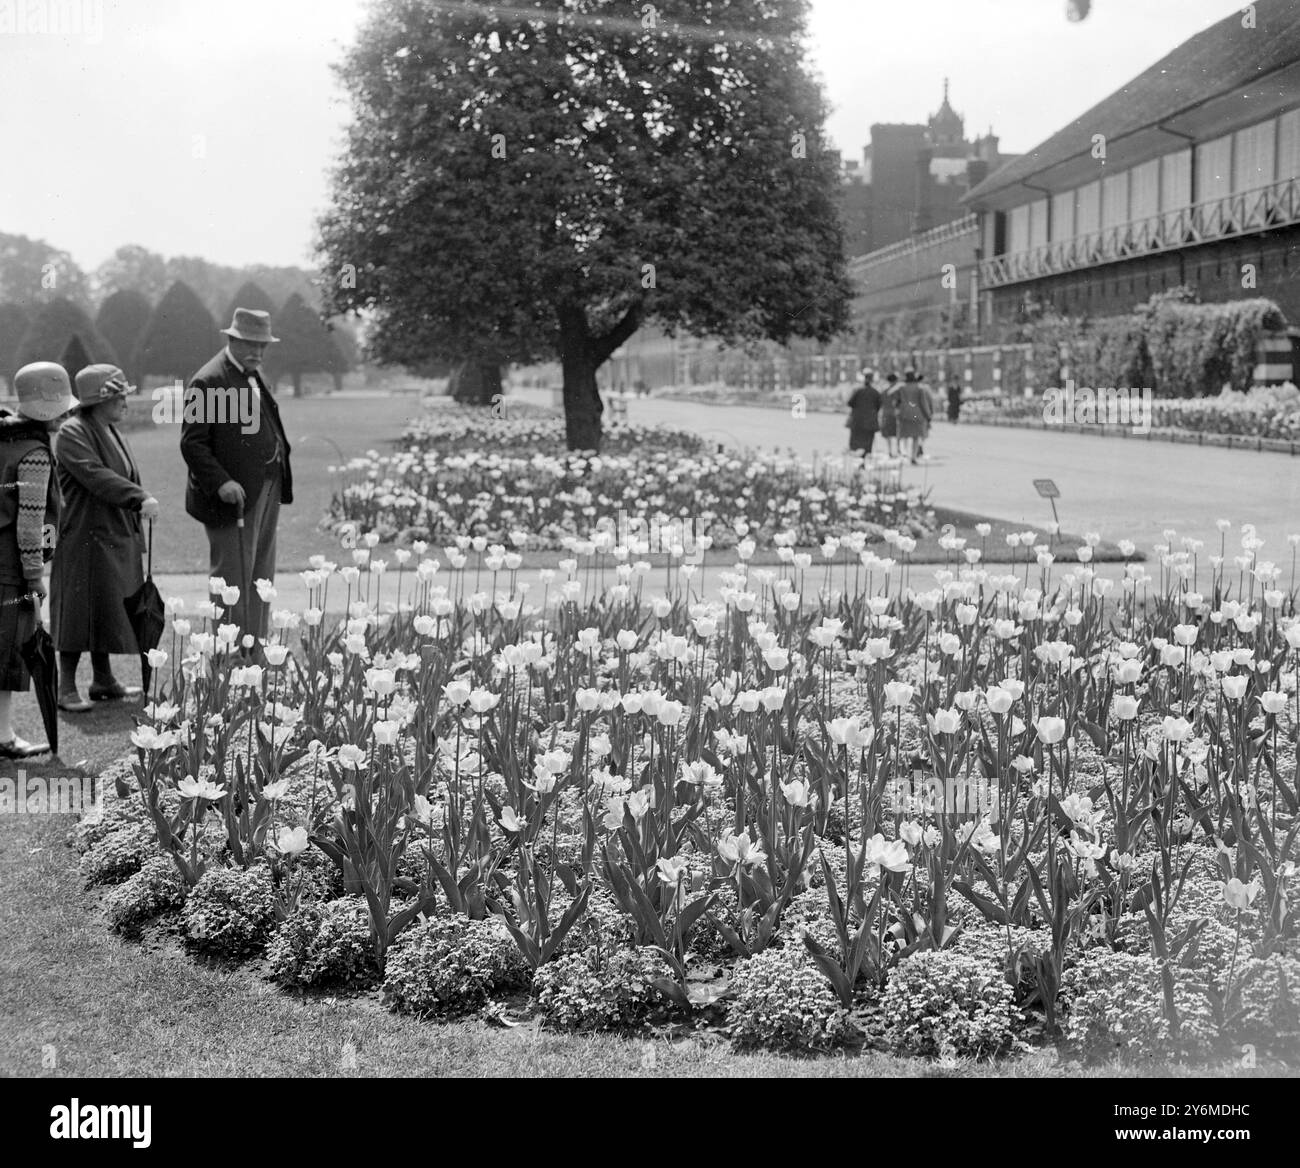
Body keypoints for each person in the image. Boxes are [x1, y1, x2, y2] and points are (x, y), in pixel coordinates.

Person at [51, 365, 160, 711]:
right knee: (77, 609)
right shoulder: (72, 432)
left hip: (110, 534)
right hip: (83, 534)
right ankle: (65, 686)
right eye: (118, 395)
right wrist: (138, 496)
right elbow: (94, 475)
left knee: (104, 605)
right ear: (99, 400)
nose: (125, 402)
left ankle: (103, 679)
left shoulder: (108, 428)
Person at [181, 308, 293, 641]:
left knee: (261, 576)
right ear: (231, 339)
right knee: (232, 579)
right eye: (250, 344)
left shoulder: (255, 374)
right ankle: (230, 660)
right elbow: (193, 444)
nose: (258, 352)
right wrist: (222, 482)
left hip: (266, 487)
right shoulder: (210, 380)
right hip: (232, 498)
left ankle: (255, 651)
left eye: (263, 346)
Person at [0, 363, 74, 758]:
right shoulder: (34, 454)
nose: (66, 416)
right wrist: (34, 576)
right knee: (9, 655)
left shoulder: (5, 438)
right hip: (10, 569)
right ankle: (4, 737)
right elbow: (29, 524)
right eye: (61, 409)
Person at [897, 369, 933, 464]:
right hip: (917, 414)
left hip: (904, 414)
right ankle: (913, 457)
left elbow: (895, 399)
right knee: (916, 437)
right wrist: (928, 415)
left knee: (904, 435)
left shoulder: (901, 387)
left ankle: (904, 453)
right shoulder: (919, 388)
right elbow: (923, 403)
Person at [846, 369, 882, 456]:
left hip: (857, 421)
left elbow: (850, 403)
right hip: (870, 422)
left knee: (855, 444)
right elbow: (879, 406)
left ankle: (855, 463)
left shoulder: (858, 391)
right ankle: (864, 462)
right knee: (867, 444)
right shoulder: (876, 392)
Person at [878, 373, 900, 457]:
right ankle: (898, 450)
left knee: (888, 435)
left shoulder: (884, 391)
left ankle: (890, 451)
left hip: (886, 414)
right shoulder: (897, 390)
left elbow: (880, 403)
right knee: (897, 434)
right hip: (896, 414)